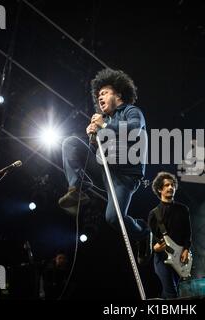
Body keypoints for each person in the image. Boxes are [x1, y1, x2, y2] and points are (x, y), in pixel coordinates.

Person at [58, 68, 150, 246]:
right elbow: (99, 150)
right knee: (70, 143)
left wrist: (104, 124)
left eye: (104, 93)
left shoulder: (131, 112)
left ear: (118, 94)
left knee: (114, 218)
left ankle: (144, 232)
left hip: (124, 176)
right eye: (98, 95)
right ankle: (77, 188)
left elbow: (133, 130)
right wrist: (93, 137)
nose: (100, 98)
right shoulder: (105, 120)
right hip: (105, 170)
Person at [148, 171, 192, 299]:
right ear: (159, 189)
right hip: (162, 259)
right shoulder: (154, 214)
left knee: (168, 294)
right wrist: (153, 247)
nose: (171, 187)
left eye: (172, 185)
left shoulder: (183, 210)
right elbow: (149, 238)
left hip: (179, 258)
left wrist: (186, 249)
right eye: (167, 185)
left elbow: (188, 233)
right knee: (172, 293)